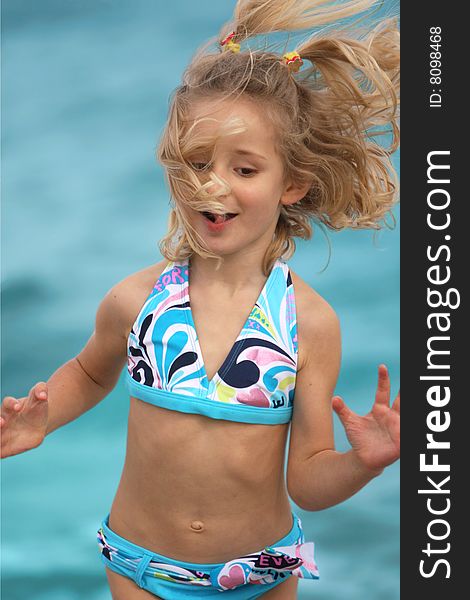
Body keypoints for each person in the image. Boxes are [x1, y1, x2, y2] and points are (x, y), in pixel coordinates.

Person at [1, 0, 400, 598]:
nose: (214, 185)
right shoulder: (136, 300)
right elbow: (89, 372)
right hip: (142, 568)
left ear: (291, 182)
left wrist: (363, 463)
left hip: (261, 575)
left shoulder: (308, 323)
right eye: (197, 162)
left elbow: (309, 482)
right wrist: (43, 419)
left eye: (244, 169)